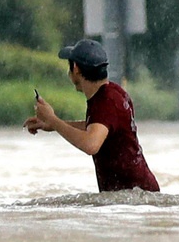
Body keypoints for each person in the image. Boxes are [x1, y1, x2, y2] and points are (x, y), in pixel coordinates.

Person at [24, 38, 160, 193]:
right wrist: (53, 125)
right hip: (137, 194)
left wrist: (53, 120)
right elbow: (99, 127)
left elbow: (91, 144)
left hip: (136, 197)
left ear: (75, 69)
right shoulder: (113, 93)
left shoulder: (106, 101)